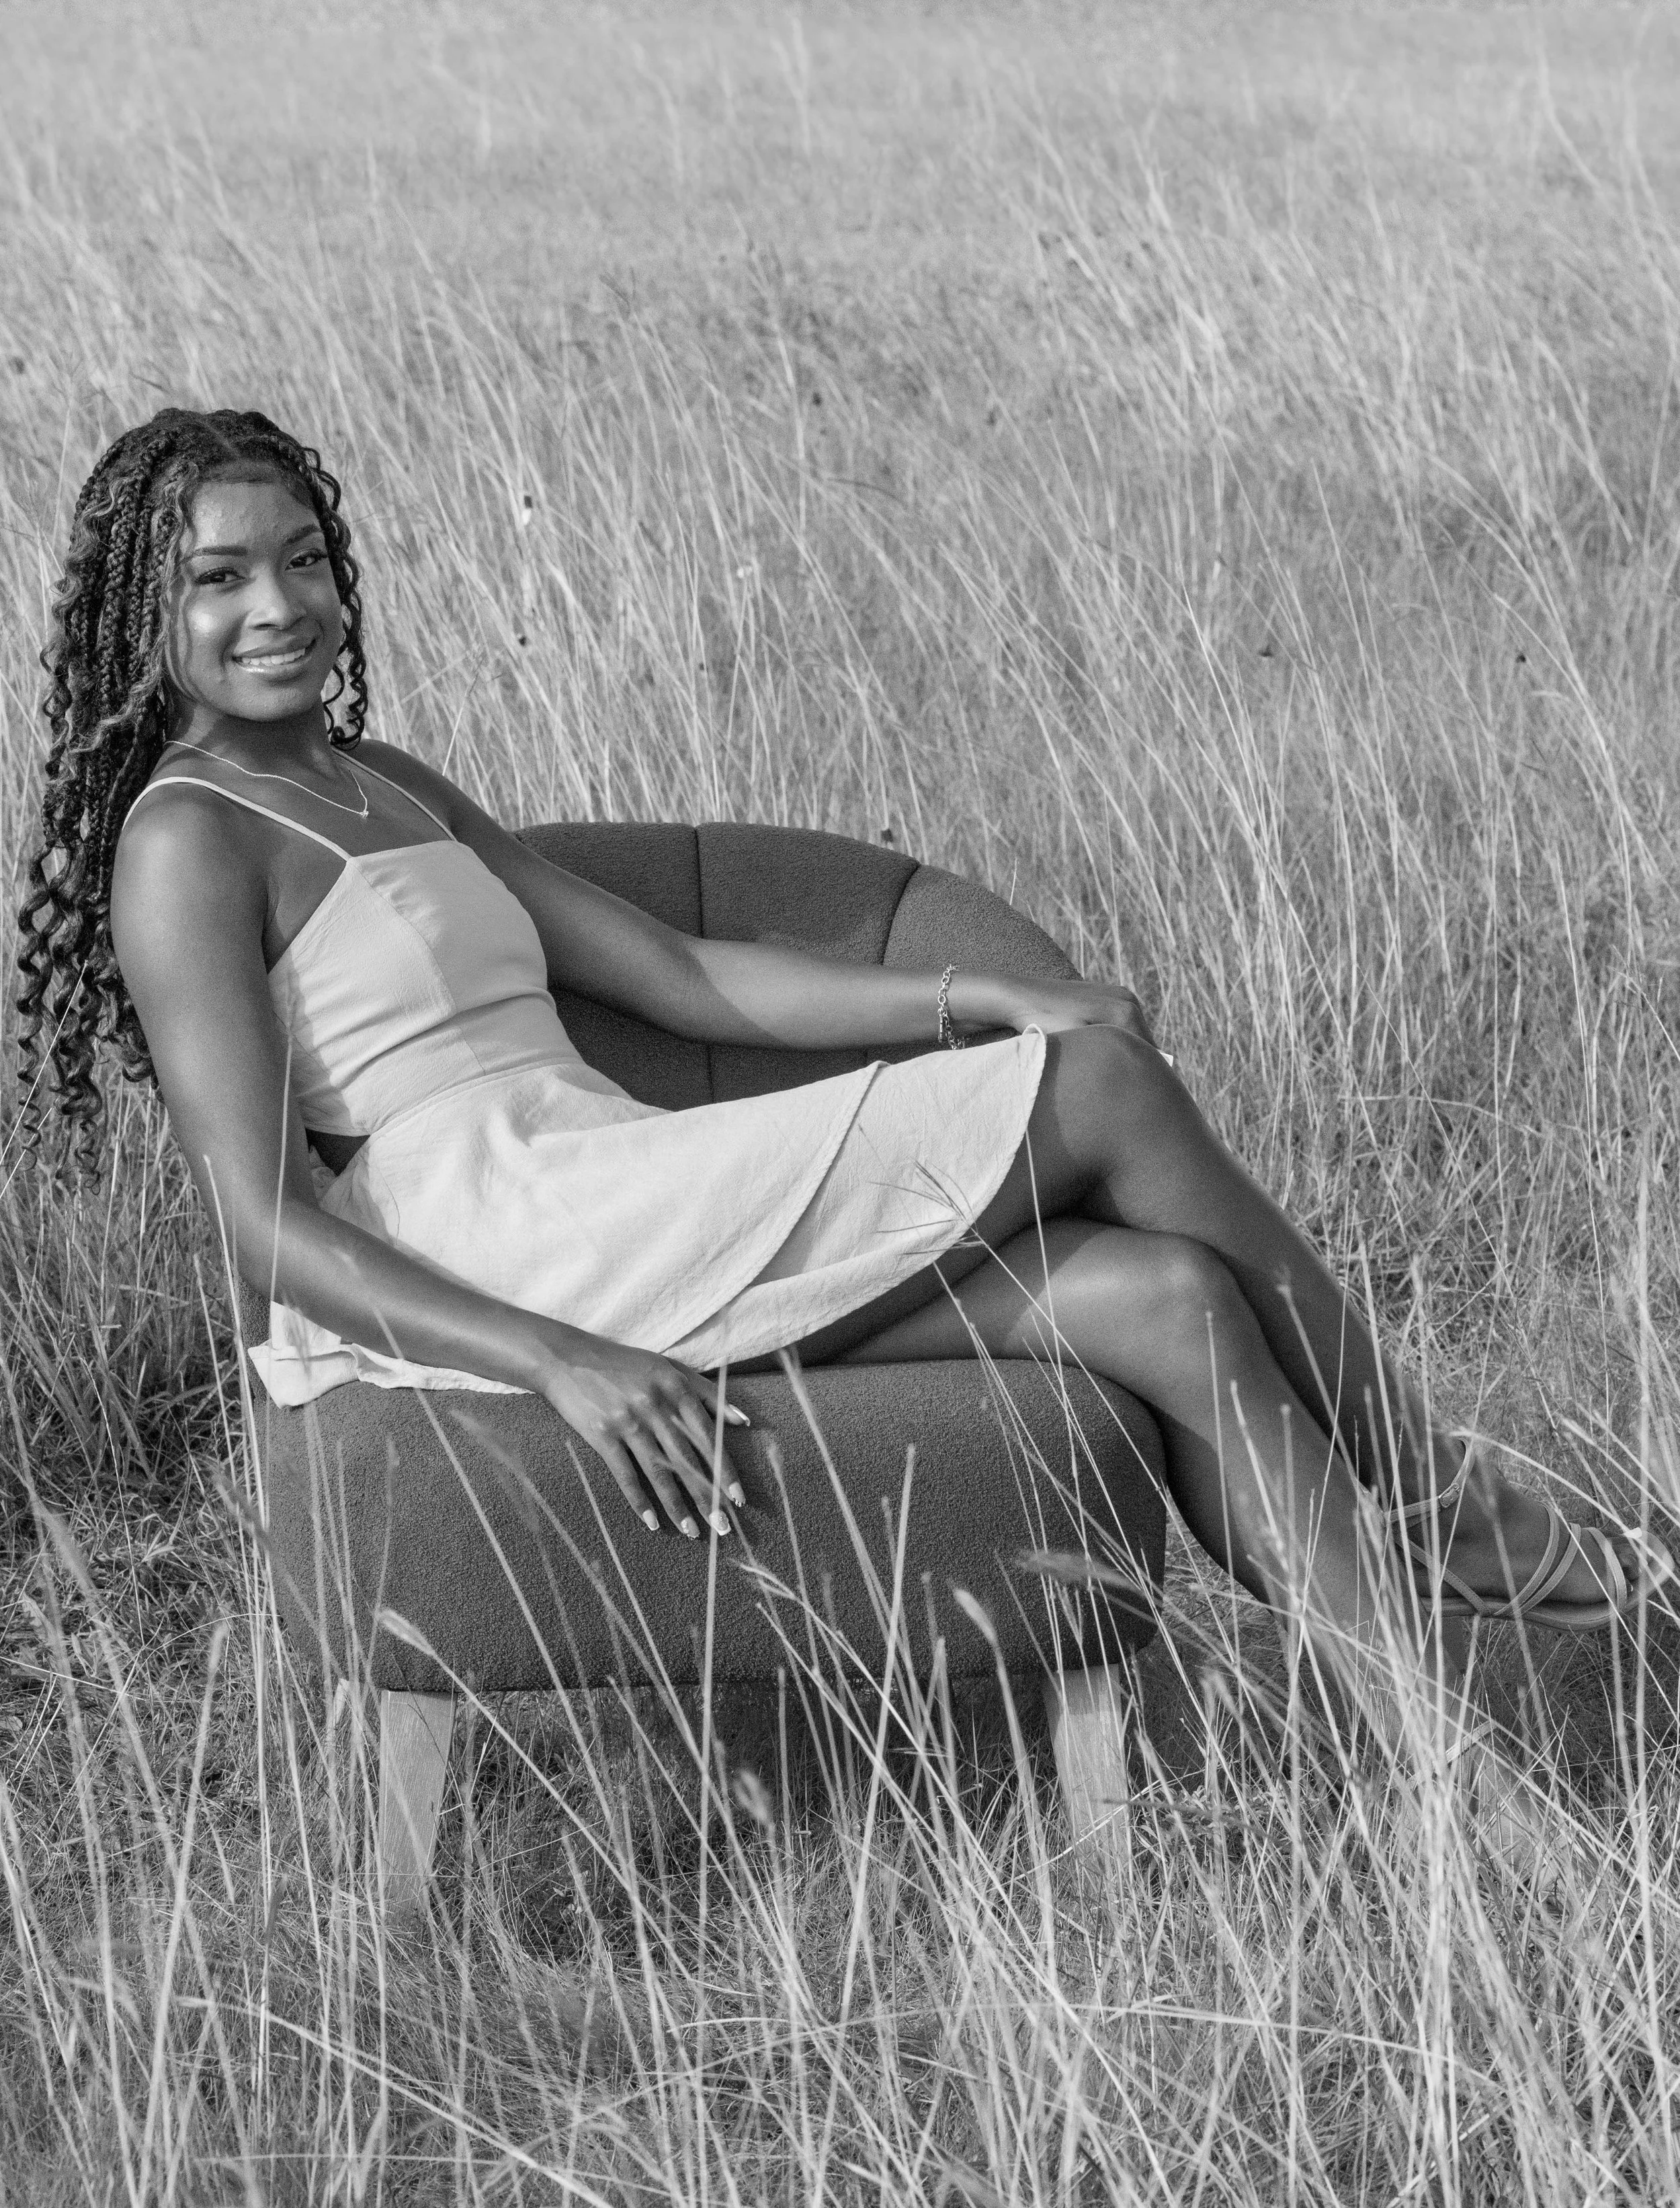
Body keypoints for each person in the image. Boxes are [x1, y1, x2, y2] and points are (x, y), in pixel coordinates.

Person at [15, 405, 1670, 1869]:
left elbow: (680, 972)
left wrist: (982, 1002)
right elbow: (262, 1225)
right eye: (219, 580)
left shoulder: (381, 777)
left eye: (299, 560)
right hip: (508, 1237)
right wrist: (564, 1363)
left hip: (597, 1179)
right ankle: (1444, 1502)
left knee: (1163, 1297)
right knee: (1104, 1091)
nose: (277, 609)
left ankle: (1458, 1793)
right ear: (143, 620)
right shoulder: (188, 844)